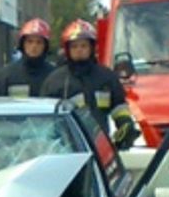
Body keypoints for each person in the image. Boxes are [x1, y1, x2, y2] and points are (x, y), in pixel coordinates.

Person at [40, 19, 139, 148]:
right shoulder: (55, 81)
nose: (79, 50)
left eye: (83, 46)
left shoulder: (107, 77)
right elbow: (46, 121)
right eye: (74, 46)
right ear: (67, 49)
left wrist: (125, 123)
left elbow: (119, 106)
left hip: (101, 148)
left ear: (92, 47)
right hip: (67, 149)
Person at [0, 18, 57, 96]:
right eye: (29, 41)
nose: (34, 46)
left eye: (39, 42)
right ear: (22, 44)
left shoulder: (54, 76)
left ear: (45, 46)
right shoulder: (7, 75)